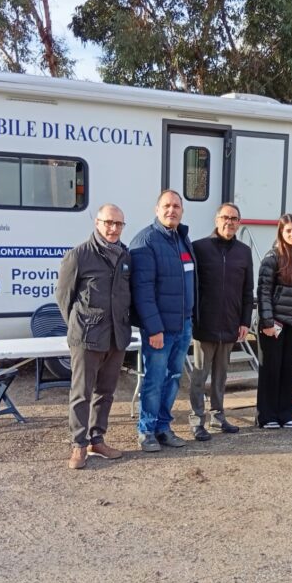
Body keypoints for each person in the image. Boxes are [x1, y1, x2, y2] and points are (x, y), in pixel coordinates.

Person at [56, 203, 132, 470]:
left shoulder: (125, 256)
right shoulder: (79, 255)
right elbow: (63, 298)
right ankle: (78, 444)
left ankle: (97, 439)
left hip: (116, 336)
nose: (113, 228)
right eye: (108, 222)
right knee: (82, 393)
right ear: (97, 223)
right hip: (86, 337)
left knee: (106, 392)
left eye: (118, 224)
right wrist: (79, 326)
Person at [130, 189, 196, 452]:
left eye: (176, 206)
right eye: (166, 206)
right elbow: (142, 291)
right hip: (160, 330)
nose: (172, 210)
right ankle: (146, 430)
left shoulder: (182, 239)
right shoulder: (146, 241)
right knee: (155, 381)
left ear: (182, 211)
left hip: (183, 325)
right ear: (157, 210)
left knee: (174, 378)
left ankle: (163, 427)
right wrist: (154, 328)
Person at [188, 203, 254, 440]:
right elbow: (191, 286)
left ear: (239, 223)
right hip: (204, 324)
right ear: (217, 220)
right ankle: (197, 419)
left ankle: (217, 417)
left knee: (221, 375)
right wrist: (192, 317)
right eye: (225, 217)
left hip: (230, 324)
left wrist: (245, 321)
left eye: (234, 218)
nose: (229, 222)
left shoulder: (244, 252)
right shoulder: (199, 248)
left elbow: (248, 290)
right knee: (199, 375)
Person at [256, 214, 292, 429]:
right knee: (271, 369)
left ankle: (285, 414)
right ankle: (267, 416)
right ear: (281, 233)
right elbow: (263, 292)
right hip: (275, 323)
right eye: (288, 230)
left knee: (288, 369)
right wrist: (267, 322)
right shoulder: (272, 258)